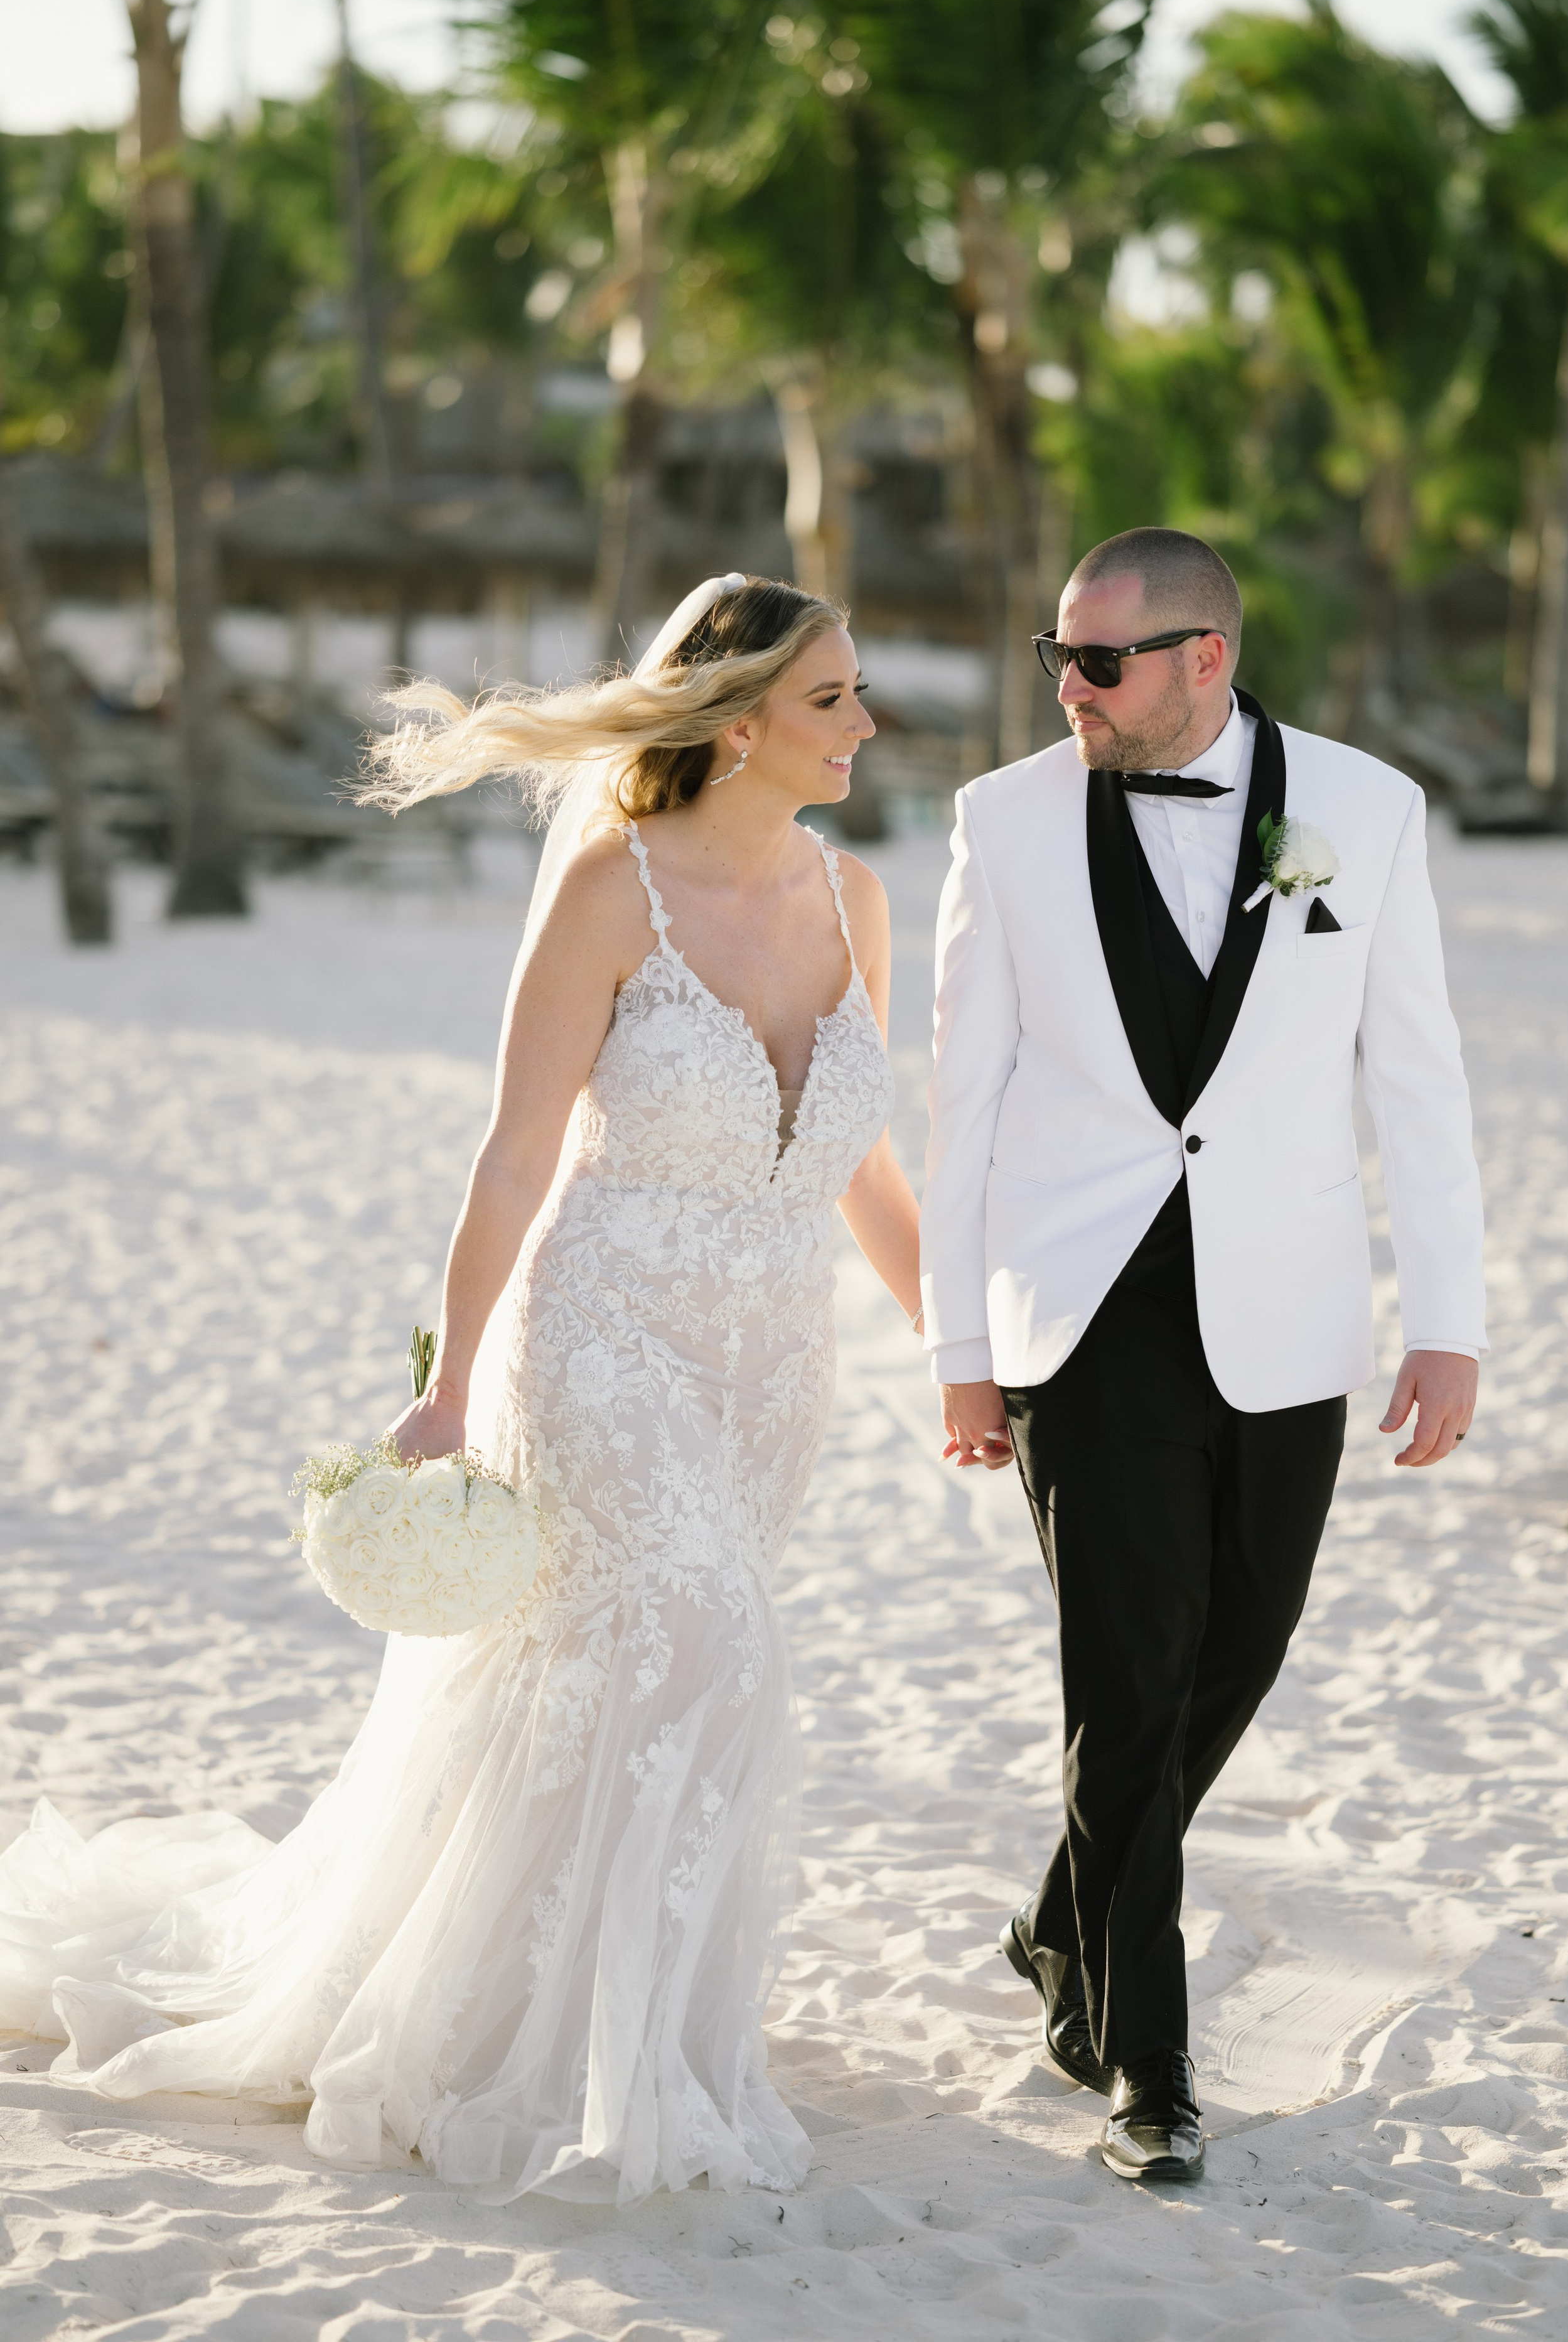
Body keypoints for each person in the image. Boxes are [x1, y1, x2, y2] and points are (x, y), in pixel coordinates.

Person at [0, 574, 921, 2205]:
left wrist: (971, 1359)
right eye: (835, 696)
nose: (866, 722)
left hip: (771, 1368)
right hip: (601, 1339)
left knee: (616, 1682)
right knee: (719, 1651)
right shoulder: (608, 890)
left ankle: (566, 2014)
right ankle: (624, 2070)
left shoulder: (857, 900)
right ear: (739, 717)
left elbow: (867, 1167)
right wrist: (447, 1383)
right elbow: (509, 1159)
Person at [920, 527, 1485, 2184]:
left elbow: (1420, 1079)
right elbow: (964, 1107)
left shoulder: (1364, 812)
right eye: (1058, 660)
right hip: (1083, 1317)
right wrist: (965, 1352)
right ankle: (1146, 2067)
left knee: (1236, 1651)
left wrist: (1445, 1323)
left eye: (1101, 662)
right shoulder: (1003, 823)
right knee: (1124, 1679)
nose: (1071, 690)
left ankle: (1057, 1923)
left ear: (1203, 659)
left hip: (1286, 1307)